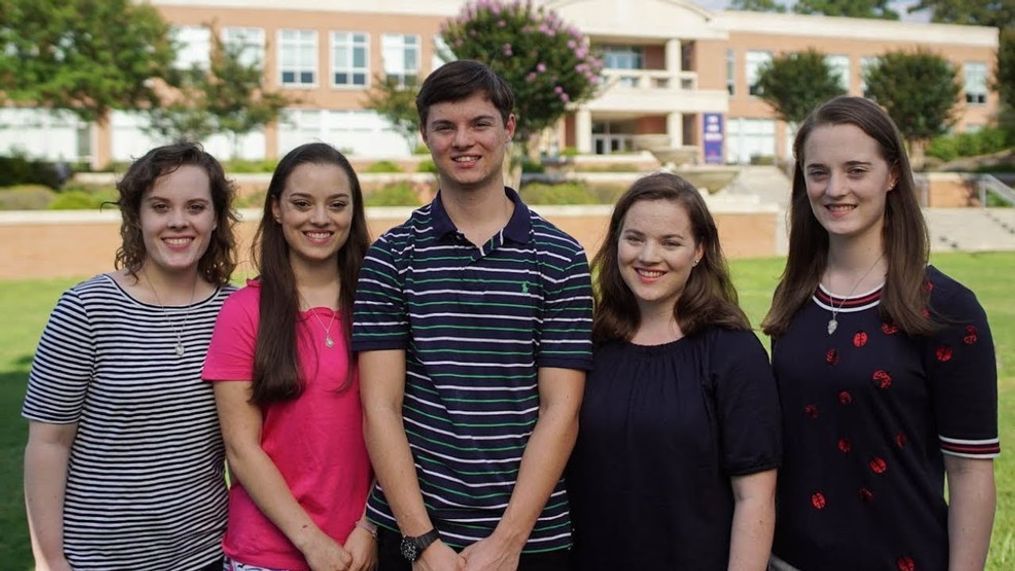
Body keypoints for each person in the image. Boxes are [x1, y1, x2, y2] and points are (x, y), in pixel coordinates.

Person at [353, 59, 594, 571]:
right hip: (415, 537)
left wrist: (508, 543)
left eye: (479, 123)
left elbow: (561, 410)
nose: (462, 140)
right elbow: (380, 408)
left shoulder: (560, 257)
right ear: (425, 135)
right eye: (445, 126)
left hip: (533, 539)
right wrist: (422, 542)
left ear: (508, 127)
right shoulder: (391, 257)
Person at [763, 96, 999, 570]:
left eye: (855, 170)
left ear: (892, 175)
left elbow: (970, 471)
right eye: (817, 172)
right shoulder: (793, 299)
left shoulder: (947, 308)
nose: (834, 189)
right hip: (789, 560)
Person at [23, 142, 238, 570]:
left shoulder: (236, 311)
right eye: (160, 206)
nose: (178, 221)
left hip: (208, 556)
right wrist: (50, 561)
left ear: (215, 218)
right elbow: (48, 443)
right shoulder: (86, 309)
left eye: (195, 207)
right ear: (136, 216)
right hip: (100, 560)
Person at [567, 172, 781, 570]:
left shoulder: (732, 352)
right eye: (635, 239)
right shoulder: (589, 343)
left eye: (671, 243)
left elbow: (755, 499)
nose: (649, 256)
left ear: (699, 250)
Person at [203, 142, 375, 571]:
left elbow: (400, 425)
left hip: (364, 548)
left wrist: (370, 526)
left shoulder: (378, 304)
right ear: (277, 209)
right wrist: (311, 542)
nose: (320, 218)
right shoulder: (244, 311)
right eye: (302, 203)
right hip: (268, 554)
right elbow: (241, 448)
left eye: (337, 204)